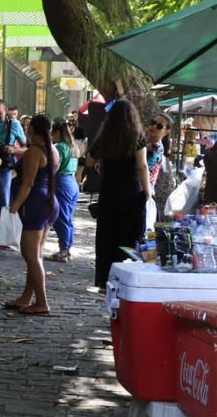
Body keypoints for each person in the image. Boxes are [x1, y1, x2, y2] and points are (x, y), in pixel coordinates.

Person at [86, 99, 151, 289]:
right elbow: (142, 166)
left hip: (109, 192)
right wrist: (148, 191)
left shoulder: (105, 138)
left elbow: (89, 161)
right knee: (130, 237)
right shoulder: (137, 137)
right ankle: (128, 280)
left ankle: (104, 279)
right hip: (132, 193)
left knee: (107, 237)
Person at [5, 115, 59, 315]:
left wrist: (13, 207)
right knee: (36, 255)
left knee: (31, 255)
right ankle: (27, 297)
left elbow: (27, 183)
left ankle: (42, 301)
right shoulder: (53, 150)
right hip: (50, 202)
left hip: (35, 203)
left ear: (32, 130)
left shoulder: (34, 152)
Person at [0, 99, 27, 240]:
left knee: (3, 200)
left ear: (6, 112)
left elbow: (25, 146)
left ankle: (3, 234)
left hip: (4, 167)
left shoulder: (14, 125)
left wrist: (13, 149)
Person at [49, 119, 80, 262]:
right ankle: (67, 248)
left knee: (61, 218)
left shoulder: (60, 147)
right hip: (72, 182)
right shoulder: (73, 146)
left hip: (62, 182)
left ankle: (63, 249)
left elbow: (56, 165)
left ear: (56, 132)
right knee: (68, 218)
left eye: (52, 133)